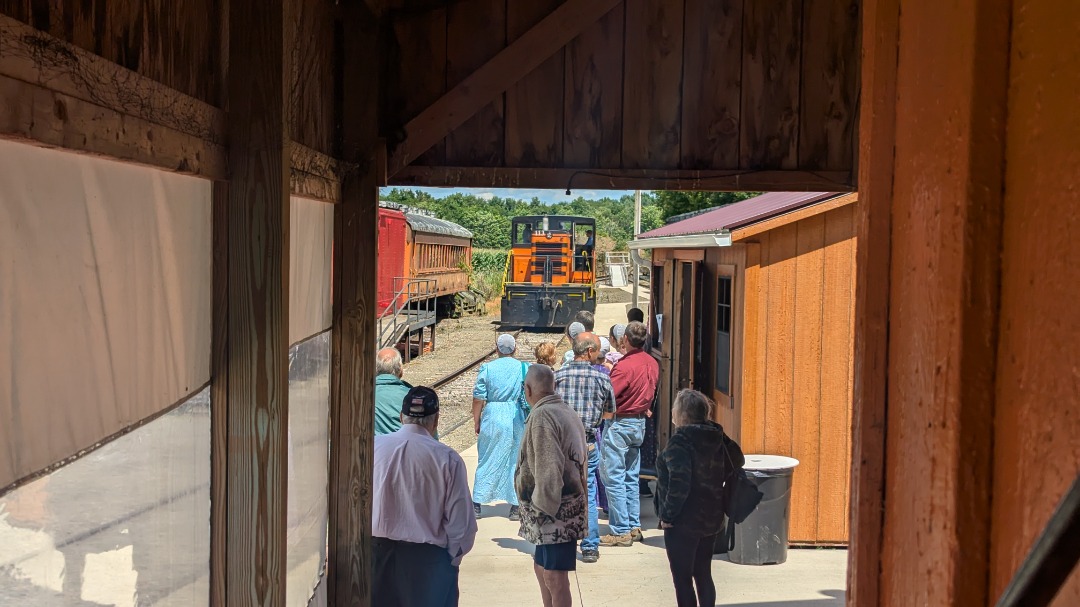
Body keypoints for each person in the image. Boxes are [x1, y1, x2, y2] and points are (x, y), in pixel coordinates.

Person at [373, 386, 477, 607]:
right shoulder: (448, 459)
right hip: (427, 562)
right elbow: (461, 526)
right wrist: (449, 560)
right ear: (436, 420)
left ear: (402, 417)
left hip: (376, 557)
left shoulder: (374, 448)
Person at [655, 389, 745, 607]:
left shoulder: (680, 442)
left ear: (682, 414)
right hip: (711, 517)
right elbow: (738, 459)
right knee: (703, 574)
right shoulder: (715, 436)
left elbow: (679, 485)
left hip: (683, 521)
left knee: (683, 580)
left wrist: (667, 515)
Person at [515, 365, 588, 607]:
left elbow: (549, 472)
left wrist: (540, 511)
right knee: (542, 568)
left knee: (554, 577)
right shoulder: (563, 409)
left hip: (553, 514)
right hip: (560, 510)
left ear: (528, 389)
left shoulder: (543, 417)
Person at [554, 333, 615, 564]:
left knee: (562, 493)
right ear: (589, 352)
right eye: (598, 350)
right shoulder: (602, 379)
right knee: (587, 494)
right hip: (587, 442)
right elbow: (610, 413)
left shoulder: (558, 377)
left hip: (561, 444)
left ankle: (563, 541)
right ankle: (590, 546)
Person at [600, 321, 659, 547]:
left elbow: (610, 394)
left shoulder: (624, 366)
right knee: (631, 476)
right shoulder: (652, 363)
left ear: (625, 339)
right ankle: (633, 525)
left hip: (620, 422)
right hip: (639, 423)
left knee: (613, 476)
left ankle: (620, 530)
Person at [472, 333, 529, 520]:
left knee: (487, 457)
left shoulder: (487, 368)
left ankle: (477, 503)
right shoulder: (523, 367)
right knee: (515, 459)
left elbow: (479, 397)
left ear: (497, 349)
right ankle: (514, 506)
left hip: (493, 414)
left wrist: (477, 419)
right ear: (515, 349)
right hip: (515, 415)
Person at [374, 348, 412, 435]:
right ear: (401, 369)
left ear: (375, 369)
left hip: (372, 448)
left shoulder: (360, 396)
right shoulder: (412, 397)